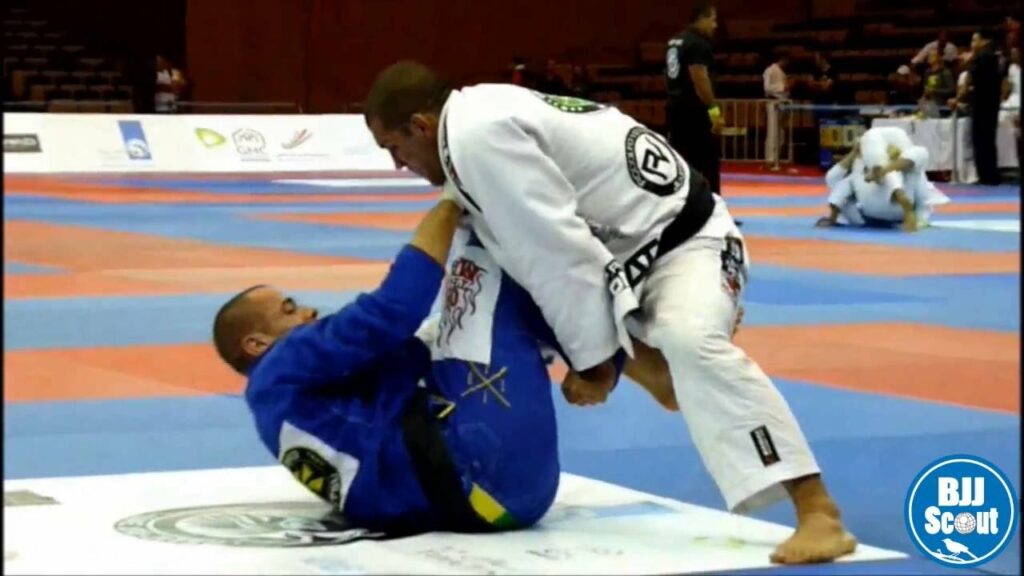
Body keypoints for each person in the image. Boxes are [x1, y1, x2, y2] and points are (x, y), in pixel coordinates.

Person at [363, 61, 857, 564]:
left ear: (420, 125)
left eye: (393, 148)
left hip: (689, 244)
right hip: (622, 256)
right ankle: (650, 364)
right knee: (497, 270)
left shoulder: (478, 138)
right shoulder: (473, 128)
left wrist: (595, 365)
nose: (398, 165)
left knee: (688, 339)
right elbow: (489, 284)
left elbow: (560, 255)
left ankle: (818, 511)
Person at [211, 199, 568, 535]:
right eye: (289, 310)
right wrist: (449, 205)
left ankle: (587, 357)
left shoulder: (286, 402)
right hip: (483, 473)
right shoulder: (280, 365)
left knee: (457, 322)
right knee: (483, 268)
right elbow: (394, 310)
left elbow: (410, 351)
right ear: (256, 344)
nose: (309, 312)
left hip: (490, 504)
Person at [816, 127, 950, 231]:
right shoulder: (856, 169)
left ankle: (885, 175)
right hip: (878, 210)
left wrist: (832, 216)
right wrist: (855, 152)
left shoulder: (900, 162)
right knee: (919, 157)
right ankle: (888, 179)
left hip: (889, 207)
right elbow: (835, 180)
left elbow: (836, 185)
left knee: (917, 160)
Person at [665, 1, 723, 195]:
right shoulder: (698, 44)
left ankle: (681, 203)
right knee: (707, 162)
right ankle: (711, 204)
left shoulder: (674, 41)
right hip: (694, 112)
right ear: (702, 18)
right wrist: (714, 111)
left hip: (675, 108)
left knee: (680, 162)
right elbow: (700, 80)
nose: (715, 25)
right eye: (713, 20)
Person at [953, 28, 1004, 185]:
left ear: (984, 41)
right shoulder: (995, 57)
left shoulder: (981, 58)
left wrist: (957, 99)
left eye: (975, 40)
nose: (972, 43)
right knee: (988, 139)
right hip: (992, 103)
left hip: (982, 104)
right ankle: (991, 175)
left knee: (981, 140)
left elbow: (969, 80)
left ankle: (986, 176)